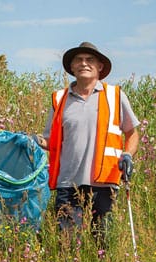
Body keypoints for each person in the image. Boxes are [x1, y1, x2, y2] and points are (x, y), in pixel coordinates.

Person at [38, 41, 140, 244]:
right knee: (67, 245)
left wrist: (127, 154)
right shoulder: (59, 99)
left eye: (90, 60)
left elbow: (132, 133)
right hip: (67, 182)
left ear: (100, 67)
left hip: (104, 182)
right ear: (72, 67)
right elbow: (50, 140)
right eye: (79, 60)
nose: (84, 63)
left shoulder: (115, 95)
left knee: (103, 242)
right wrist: (32, 141)